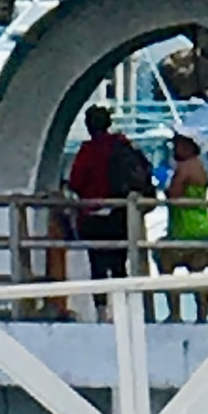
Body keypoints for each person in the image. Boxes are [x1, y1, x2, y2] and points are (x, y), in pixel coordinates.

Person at [66, 105, 155, 285]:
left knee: (98, 267)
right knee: (119, 265)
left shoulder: (88, 151)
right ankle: (123, 305)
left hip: (94, 217)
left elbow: (76, 182)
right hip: (121, 214)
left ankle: (102, 310)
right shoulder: (123, 145)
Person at [152, 132, 208, 323]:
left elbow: (174, 194)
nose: (174, 149)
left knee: (165, 263)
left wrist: (166, 186)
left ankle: (175, 312)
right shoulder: (200, 166)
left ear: (188, 147)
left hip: (185, 228)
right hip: (201, 225)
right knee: (197, 272)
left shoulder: (185, 168)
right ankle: (202, 315)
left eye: (178, 145)